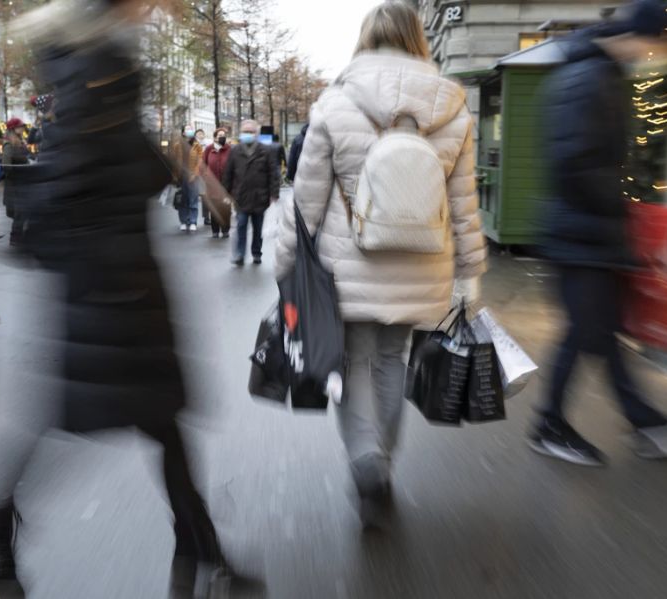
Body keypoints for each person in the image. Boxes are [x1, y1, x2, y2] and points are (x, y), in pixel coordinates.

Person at [0, 1, 263, 597]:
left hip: (117, 279)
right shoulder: (102, 65)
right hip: (109, 282)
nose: (151, 11)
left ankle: (199, 546)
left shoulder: (96, 67)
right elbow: (78, 173)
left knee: (154, 418)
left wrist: (179, 170)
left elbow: (101, 156)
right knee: (77, 413)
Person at [273, 1, 486, 526]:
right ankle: (384, 462)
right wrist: (471, 274)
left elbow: (306, 200)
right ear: (419, 37)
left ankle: (366, 460)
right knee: (393, 361)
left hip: (350, 266)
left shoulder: (335, 103)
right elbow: (463, 202)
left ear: (365, 40)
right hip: (424, 265)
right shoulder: (454, 108)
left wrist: (284, 265)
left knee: (355, 364)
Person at [531, 0, 667, 466]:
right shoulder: (589, 78)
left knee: (602, 332)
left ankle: (643, 421)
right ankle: (549, 423)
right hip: (581, 235)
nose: (653, 56)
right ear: (642, 35)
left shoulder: (598, 73)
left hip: (589, 233)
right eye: (656, 46)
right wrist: (622, 208)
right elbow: (574, 164)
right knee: (585, 331)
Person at [223, 120, 280, 266]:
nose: (248, 134)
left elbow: (273, 173)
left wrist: (274, 193)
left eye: (251, 132)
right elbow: (228, 173)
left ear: (257, 133)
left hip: (260, 197)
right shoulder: (235, 151)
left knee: (257, 227)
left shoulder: (265, 150)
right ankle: (239, 254)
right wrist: (226, 192)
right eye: (245, 131)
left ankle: (256, 253)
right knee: (241, 225)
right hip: (240, 196)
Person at [2, 118, 30, 245]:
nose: (22, 128)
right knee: (20, 211)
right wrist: (20, 171)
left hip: (23, 183)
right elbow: (6, 166)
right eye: (20, 126)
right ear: (13, 129)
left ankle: (20, 237)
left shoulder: (20, 142)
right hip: (15, 184)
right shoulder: (9, 144)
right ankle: (15, 238)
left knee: (23, 211)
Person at [202, 127, 232, 238]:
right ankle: (215, 230)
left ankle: (225, 230)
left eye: (223, 135)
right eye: (219, 135)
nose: (222, 137)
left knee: (225, 208)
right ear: (214, 137)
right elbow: (203, 165)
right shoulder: (209, 149)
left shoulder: (230, 149)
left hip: (226, 185)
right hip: (212, 185)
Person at [175, 123, 203, 232]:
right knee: (182, 200)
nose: (190, 130)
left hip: (193, 177)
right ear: (183, 132)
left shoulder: (197, 145)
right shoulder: (177, 145)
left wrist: (194, 174)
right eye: (187, 129)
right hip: (181, 177)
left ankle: (192, 221)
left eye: (191, 129)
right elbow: (174, 161)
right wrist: (175, 176)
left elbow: (200, 162)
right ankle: (183, 221)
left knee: (193, 200)